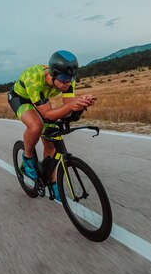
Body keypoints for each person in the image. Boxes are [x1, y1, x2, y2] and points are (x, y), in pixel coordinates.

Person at [8, 50, 96, 200]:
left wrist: (80, 105)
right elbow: (48, 114)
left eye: (70, 79)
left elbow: (67, 109)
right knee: (36, 126)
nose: (66, 83)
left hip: (41, 101)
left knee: (50, 143)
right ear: (52, 74)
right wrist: (70, 107)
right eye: (63, 79)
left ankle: (52, 181)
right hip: (21, 98)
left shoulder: (67, 80)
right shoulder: (34, 78)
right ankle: (28, 159)